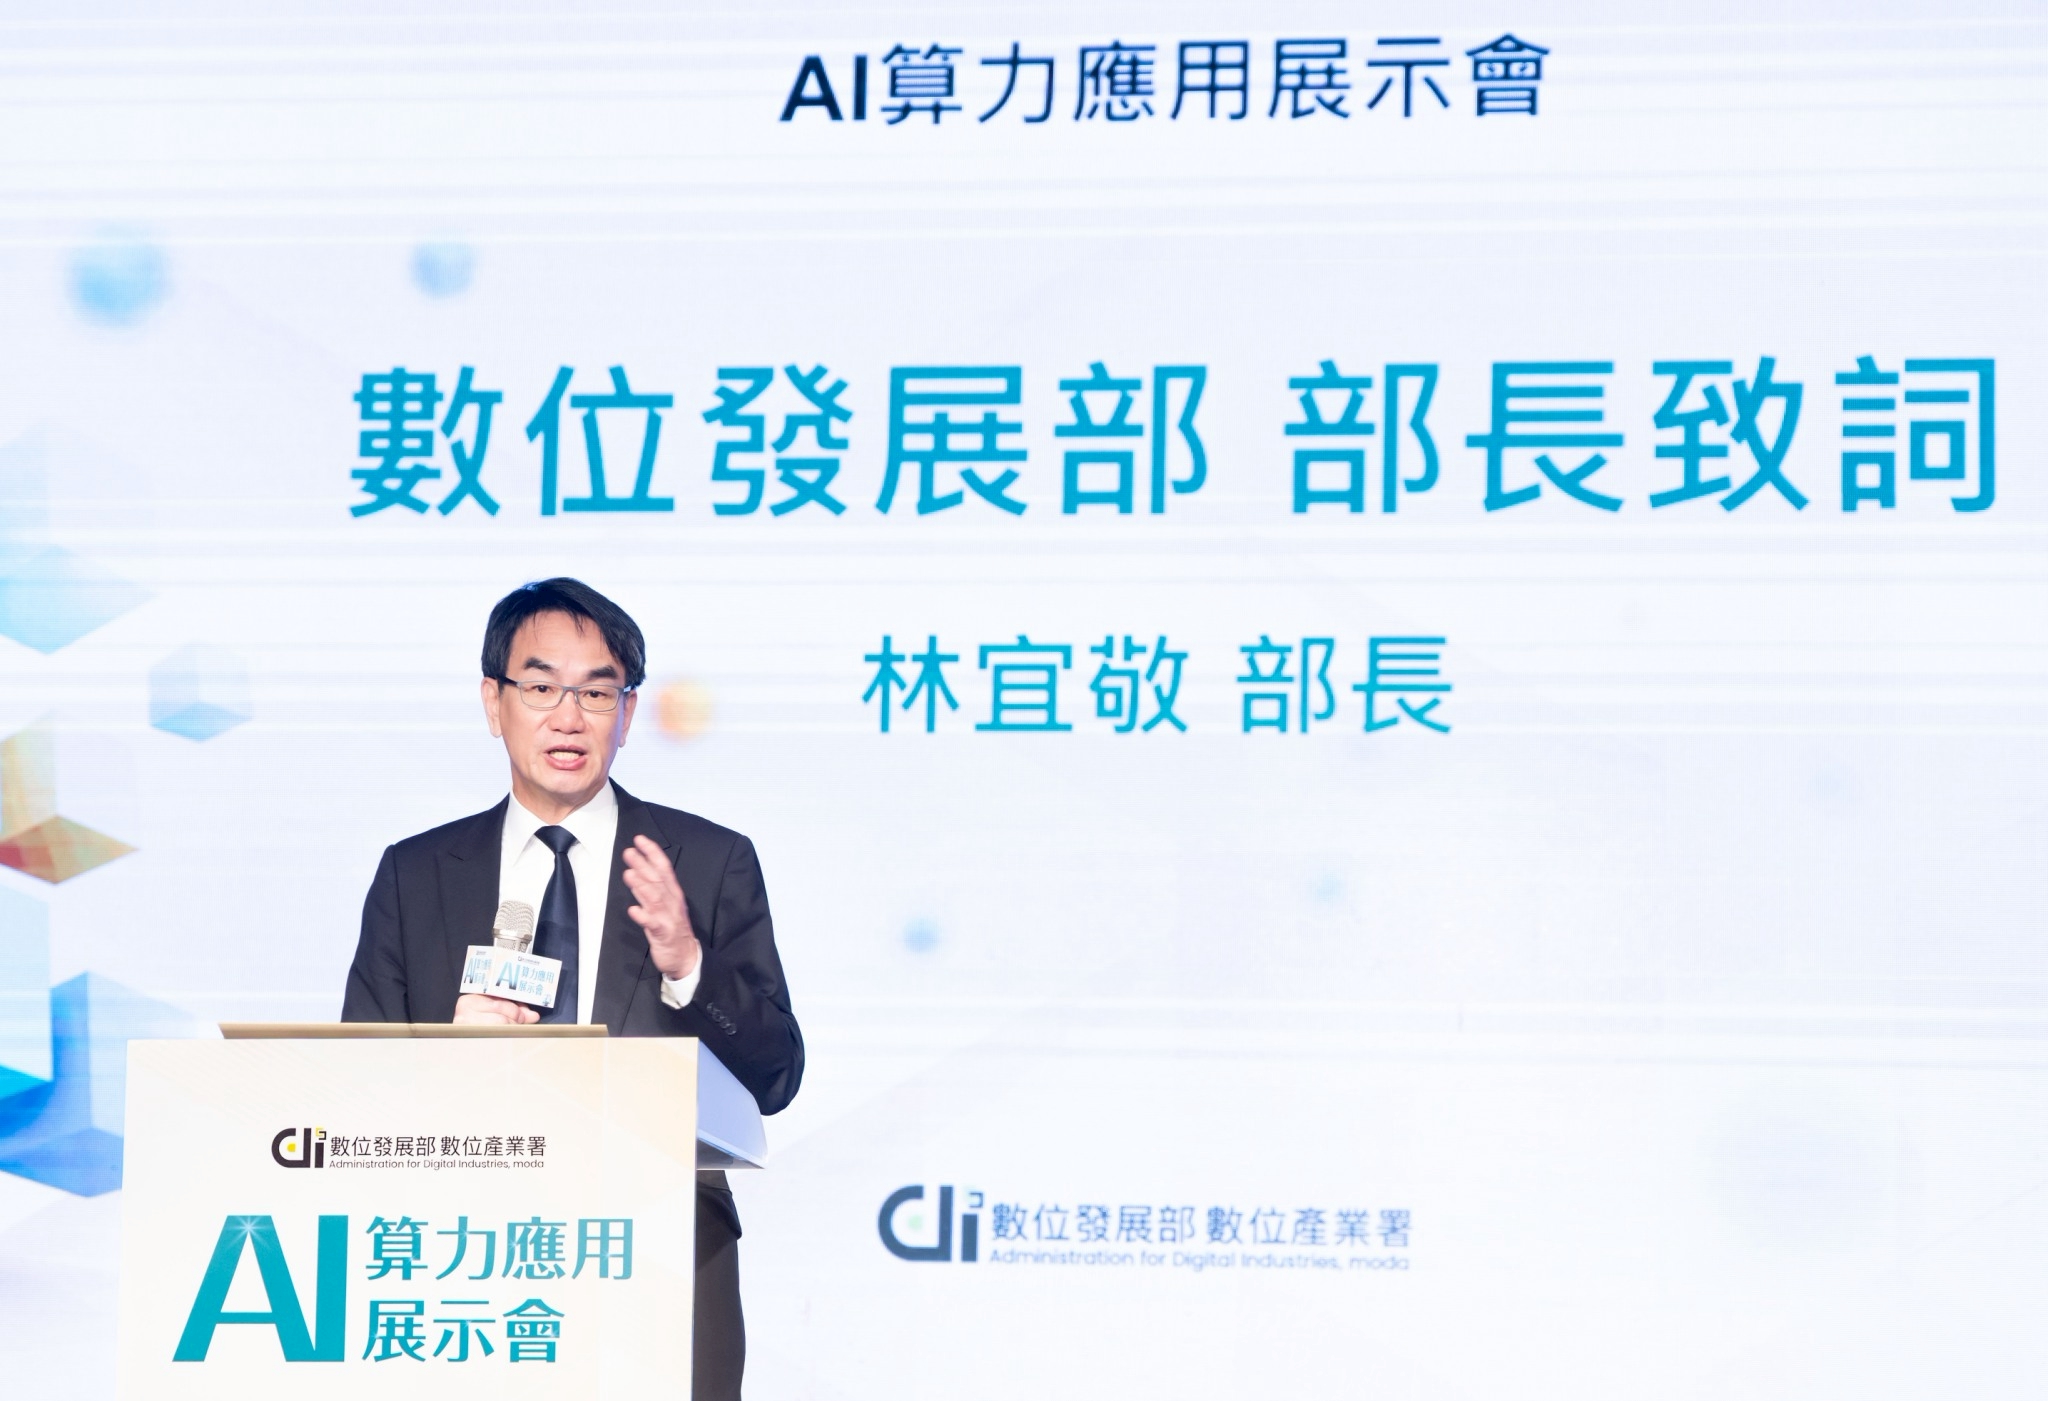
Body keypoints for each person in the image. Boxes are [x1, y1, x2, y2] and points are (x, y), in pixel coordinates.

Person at [341, 577, 802, 1400]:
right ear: (494, 701)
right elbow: (356, 1093)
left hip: (663, 1251)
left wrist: (689, 965)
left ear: (627, 713)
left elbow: (777, 1076)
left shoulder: (706, 862)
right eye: (541, 687)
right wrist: (446, 1057)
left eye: (596, 692)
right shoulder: (417, 874)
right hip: (467, 1258)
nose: (568, 716)